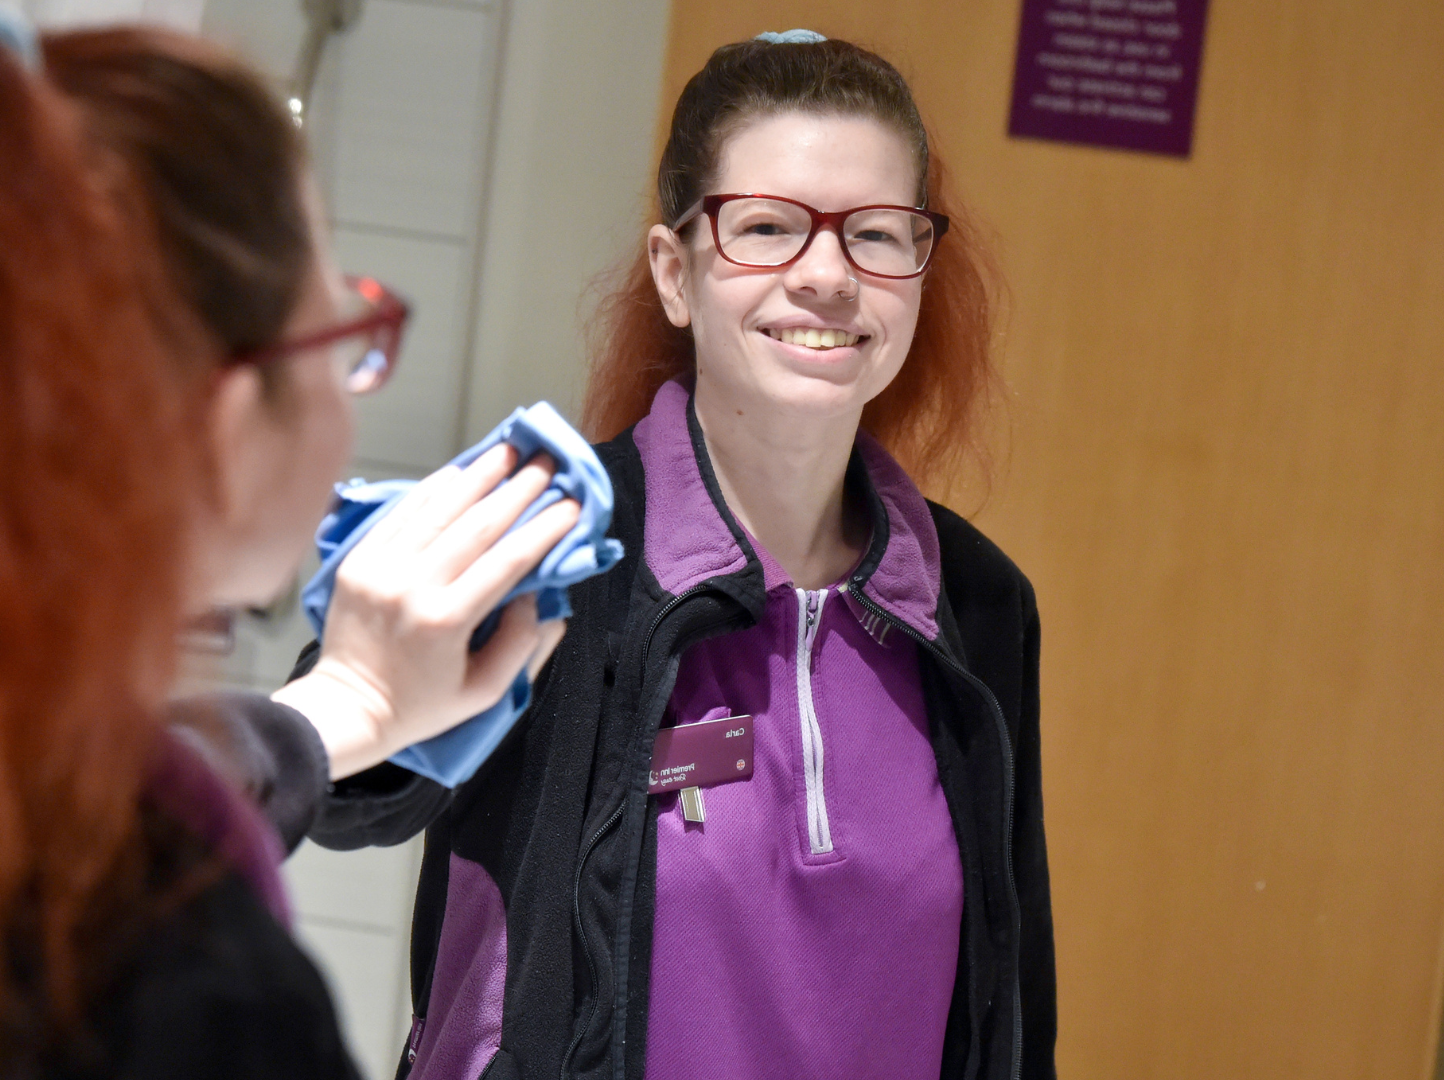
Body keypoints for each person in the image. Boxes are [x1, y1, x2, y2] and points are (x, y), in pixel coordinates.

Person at [0, 18, 574, 1080]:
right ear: (229, 424)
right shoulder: (198, 1002)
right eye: (343, 334)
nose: (351, 385)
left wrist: (349, 710)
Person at [293, 31, 1056, 1080]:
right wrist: (352, 682)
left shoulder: (977, 603)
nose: (827, 275)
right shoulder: (551, 549)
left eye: (878, 235)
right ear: (675, 272)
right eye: (767, 228)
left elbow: (1013, 1005)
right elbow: (335, 785)